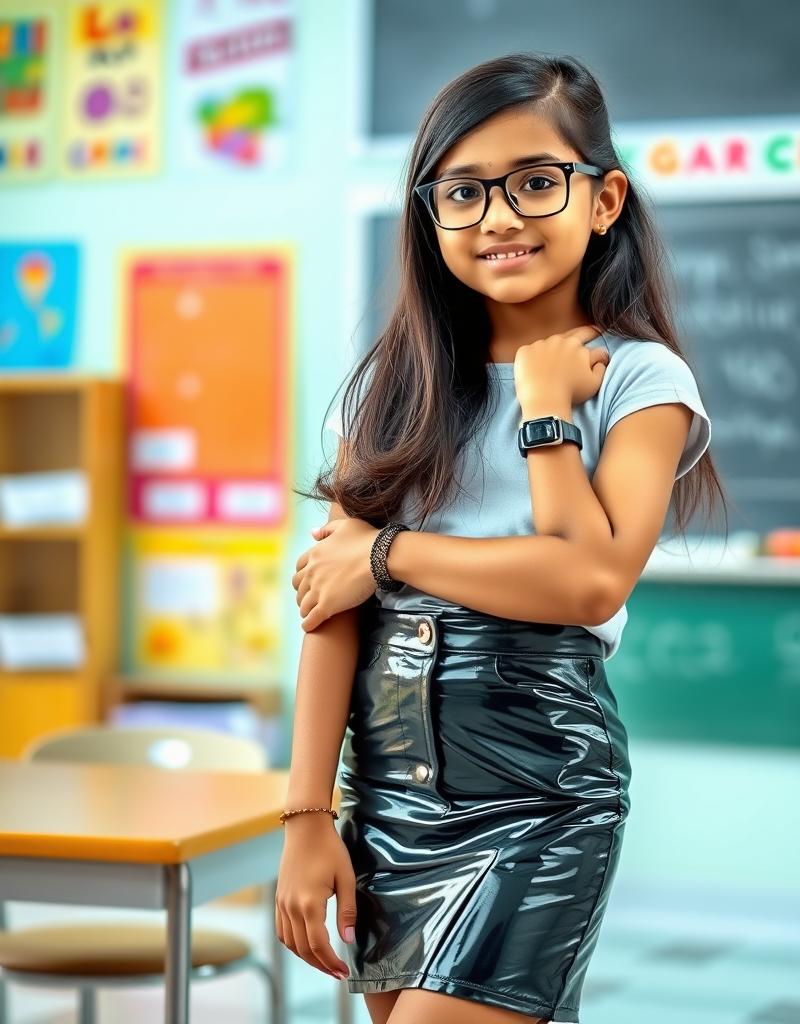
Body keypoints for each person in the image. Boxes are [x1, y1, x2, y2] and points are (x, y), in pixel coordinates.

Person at [278, 52, 728, 1024]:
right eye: (464, 192)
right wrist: (309, 814)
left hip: (537, 787)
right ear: (427, 212)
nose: (497, 217)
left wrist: (542, 416)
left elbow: (585, 582)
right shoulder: (390, 390)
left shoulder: (639, 381)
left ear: (603, 199)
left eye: (534, 182)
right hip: (390, 782)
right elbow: (330, 607)